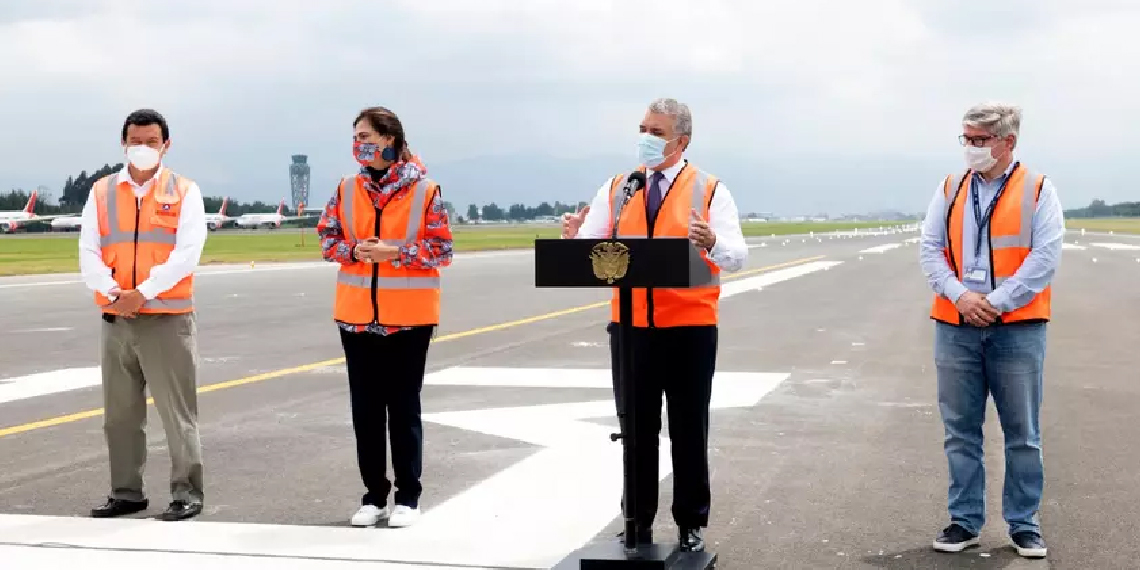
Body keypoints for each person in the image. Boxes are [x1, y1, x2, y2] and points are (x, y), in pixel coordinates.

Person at [561, 97, 748, 552]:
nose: (646, 138)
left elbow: (737, 257)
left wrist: (712, 240)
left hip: (689, 328)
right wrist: (574, 237)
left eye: (657, 132)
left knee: (688, 428)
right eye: (643, 128)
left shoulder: (709, 188)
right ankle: (636, 519)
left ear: (681, 140)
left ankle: (690, 522)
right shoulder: (618, 187)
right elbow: (592, 249)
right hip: (630, 327)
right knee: (636, 428)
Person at [919, 102, 1064, 559]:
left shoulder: (1038, 190)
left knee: (1022, 433)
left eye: (980, 140)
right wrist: (960, 296)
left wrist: (995, 303)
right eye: (966, 139)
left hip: (1017, 327)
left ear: (1008, 142)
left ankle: (1024, 525)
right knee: (960, 431)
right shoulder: (950, 188)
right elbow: (929, 248)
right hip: (955, 324)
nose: (971, 148)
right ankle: (965, 520)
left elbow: (1045, 259)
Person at [316, 106, 454, 529]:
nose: (360, 143)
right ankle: (374, 495)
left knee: (403, 408)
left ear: (390, 139)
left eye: (366, 136)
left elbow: (442, 250)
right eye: (356, 136)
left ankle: (408, 497)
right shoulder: (346, 188)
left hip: (408, 320)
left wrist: (395, 253)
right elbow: (327, 238)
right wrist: (353, 251)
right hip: (356, 318)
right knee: (366, 412)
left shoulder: (424, 191)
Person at [79, 108, 207, 521]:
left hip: (166, 318)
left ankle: (186, 492)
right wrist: (115, 292)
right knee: (119, 416)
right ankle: (126, 492)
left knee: (177, 414)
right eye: (136, 141)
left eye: (152, 142)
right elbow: (88, 251)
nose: (143, 148)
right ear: (123, 143)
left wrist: (143, 292)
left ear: (165, 145)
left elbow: (187, 254)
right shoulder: (100, 192)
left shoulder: (184, 190)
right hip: (117, 318)